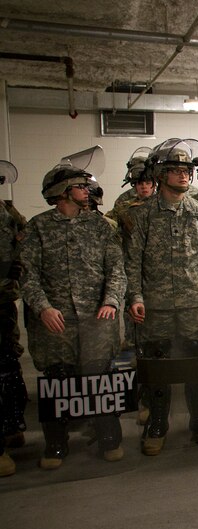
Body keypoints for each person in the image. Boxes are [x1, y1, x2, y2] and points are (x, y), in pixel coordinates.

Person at [125, 138, 198, 456]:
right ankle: (158, 425)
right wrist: (136, 296)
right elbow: (133, 261)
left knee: (195, 370)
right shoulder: (142, 216)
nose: (184, 175)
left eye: (187, 170)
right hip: (156, 307)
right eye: (176, 170)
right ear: (160, 174)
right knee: (158, 371)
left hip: (194, 306)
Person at [21, 160, 126, 469]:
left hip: (97, 322)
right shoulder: (38, 228)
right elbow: (27, 275)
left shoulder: (100, 227)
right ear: (62, 192)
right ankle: (55, 443)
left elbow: (117, 271)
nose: (87, 190)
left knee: (101, 380)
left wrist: (111, 301)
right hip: (56, 324)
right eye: (80, 186)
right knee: (58, 381)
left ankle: (110, 438)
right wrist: (43, 307)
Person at [0, 161, 26, 476]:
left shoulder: (8, 214)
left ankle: (11, 426)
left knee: (8, 364)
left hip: (3, 298)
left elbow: (23, 241)